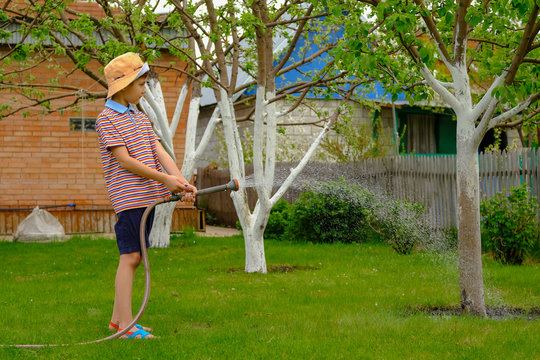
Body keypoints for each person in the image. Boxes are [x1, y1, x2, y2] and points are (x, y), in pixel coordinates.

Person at [96, 52, 197, 339]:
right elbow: (125, 161)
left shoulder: (139, 117)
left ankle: (118, 321)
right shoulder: (107, 119)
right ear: (123, 86)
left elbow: (159, 152)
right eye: (141, 84)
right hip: (129, 199)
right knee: (130, 257)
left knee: (135, 257)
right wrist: (165, 179)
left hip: (148, 197)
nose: (144, 89)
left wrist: (180, 181)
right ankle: (127, 327)